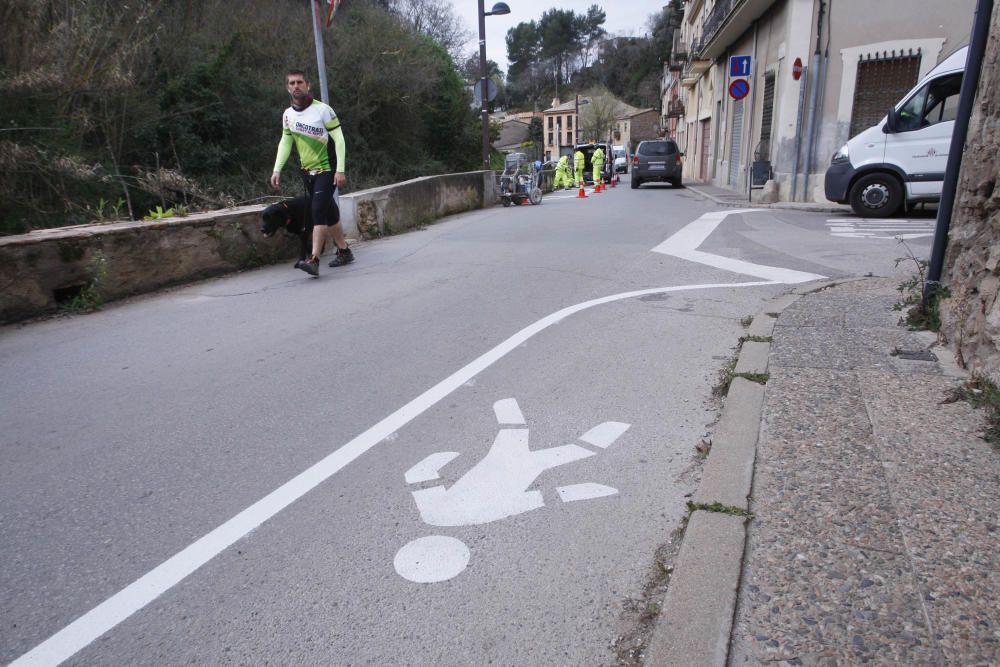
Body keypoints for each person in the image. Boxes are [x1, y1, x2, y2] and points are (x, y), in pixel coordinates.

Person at [270, 69, 354, 276]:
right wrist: (277, 169)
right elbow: (286, 141)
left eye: (299, 82)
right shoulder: (288, 115)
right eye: (292, 83)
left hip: (327, 169)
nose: (296, 86)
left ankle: (314, 259)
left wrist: (340, 169)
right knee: (329, 211)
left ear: (308, 85)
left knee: (317, 210)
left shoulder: (323, 110)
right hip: (307, 172)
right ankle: (344, 251)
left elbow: (340, 139)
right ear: (287, 87)